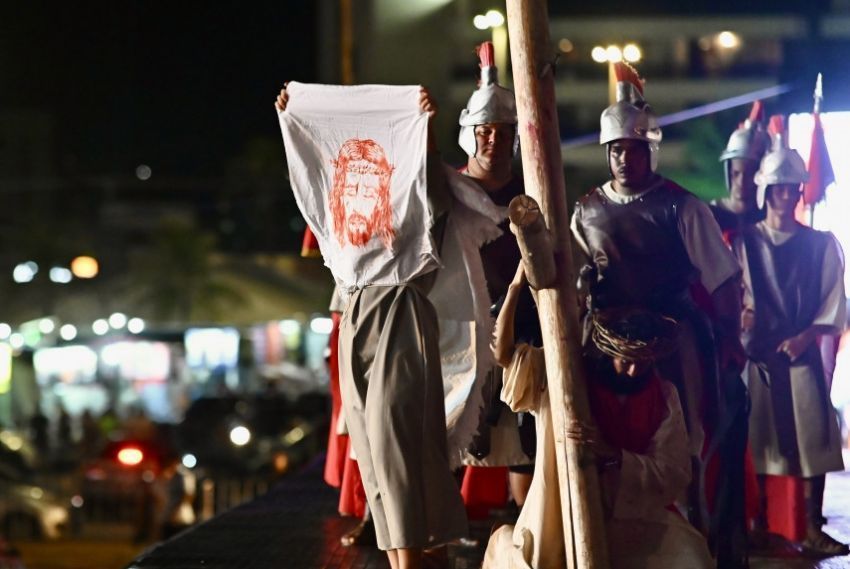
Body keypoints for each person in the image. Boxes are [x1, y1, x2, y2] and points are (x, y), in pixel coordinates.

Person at [277, 85, 467, 569]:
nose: (359, 194)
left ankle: (414, 557)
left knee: (395, 437)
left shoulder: (407, 210)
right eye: (351, 186)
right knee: (368, 444)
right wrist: (294, 120)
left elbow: (437, 201)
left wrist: (424, 137)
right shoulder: (340, 221)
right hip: (352, 311)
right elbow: (312, 170)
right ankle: (423, 548)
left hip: (401, 306)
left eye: (370, 185)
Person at [570, 63, 746, 540]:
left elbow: (724, 283)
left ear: (650, 149)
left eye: (633, 148)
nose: (624, 159)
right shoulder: (586, 211)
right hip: (606, 344)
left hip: (673, 339)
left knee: (683, 436)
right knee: (599, 435)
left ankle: (690, 530)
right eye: (616, 149)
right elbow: (574, 281)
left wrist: (729, 343)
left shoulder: (682, 207)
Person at [482, 263, 713, 569]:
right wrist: (516, 284)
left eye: (642, 363)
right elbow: (504, 355)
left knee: (690, 557)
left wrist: (613, 455)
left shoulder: (663, 395)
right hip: (564, 512)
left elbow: (673, 470)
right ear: (609, 350)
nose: (633, 370)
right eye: (626, 360)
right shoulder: (569, 378)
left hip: (630, 516)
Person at [732, 115, 847, 557]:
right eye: (777, 187)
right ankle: (759, 524)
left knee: (813, 439)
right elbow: (738, 294)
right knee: (760, 440)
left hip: (799, 357)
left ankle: (813, 527)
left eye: (791, 187)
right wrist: (744, 321)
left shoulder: (821, 244)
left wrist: (805, 337)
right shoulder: (744, 242)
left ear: (800, 191)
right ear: (766, 191)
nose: (784, 194)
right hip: (760, 359)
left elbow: (832, 300)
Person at [457, 40, 538, 521]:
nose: (494, 141)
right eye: (485, 131)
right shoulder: (450, 189)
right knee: (453, 447)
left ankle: (529, 540)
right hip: (462, 336)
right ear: (471, 135)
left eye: (503, 132)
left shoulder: (531, 192)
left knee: (525, 447)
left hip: (523, 338)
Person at [710, 100, 771, 240]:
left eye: (750, 175)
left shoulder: (769, 218)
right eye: (736, 174)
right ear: (728, 171)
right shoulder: (710, 216)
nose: (741, 182)